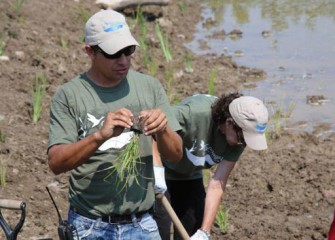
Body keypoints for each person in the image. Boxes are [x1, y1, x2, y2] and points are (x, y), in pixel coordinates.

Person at [47, 9, 183, 240]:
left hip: (142, 223)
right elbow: (56, 163)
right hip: (90, 225)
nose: (124, 61)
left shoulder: (149, 87)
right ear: (89, 51)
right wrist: (99, 136)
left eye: (128, 51)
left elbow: (176, 155)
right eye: (114, 54)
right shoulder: (70, 95)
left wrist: (163, 130)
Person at [153, 93, 269, 240]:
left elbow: (217, 184)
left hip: (190, 174)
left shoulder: (238, 138)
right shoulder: (193, 114)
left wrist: (205, 231)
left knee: (192, 228)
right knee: (159, 230)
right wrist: (156, 170)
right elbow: (154, 129)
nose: (244, 144)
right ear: (229, 123)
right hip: (160, 171)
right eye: (244, 139)